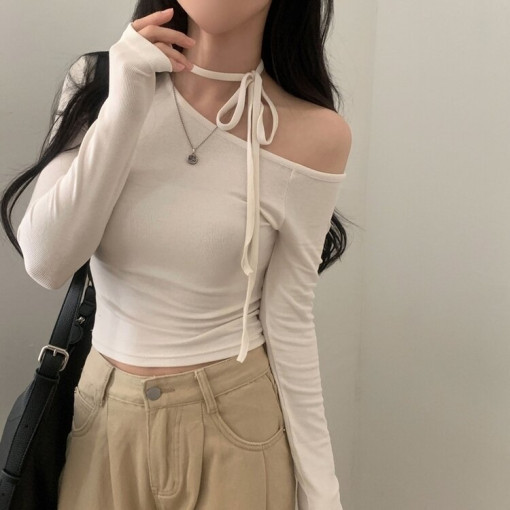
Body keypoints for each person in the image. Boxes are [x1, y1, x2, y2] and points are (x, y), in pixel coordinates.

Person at [1, 1, 352, 509]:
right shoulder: (99, 82)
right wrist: (126, 100)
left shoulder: (314, 134)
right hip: (102, 421)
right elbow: (47, 261)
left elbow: (289, 317)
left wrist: (323, 496)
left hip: (237, 427)